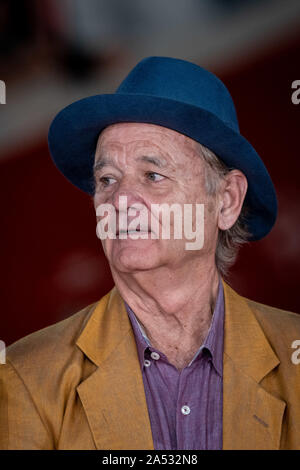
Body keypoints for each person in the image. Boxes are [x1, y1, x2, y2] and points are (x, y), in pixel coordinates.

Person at [1, 56, 299, 450]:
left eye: (153, 176)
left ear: (226, 201)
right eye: (107, 179)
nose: (120, 200)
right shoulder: (26, 376)